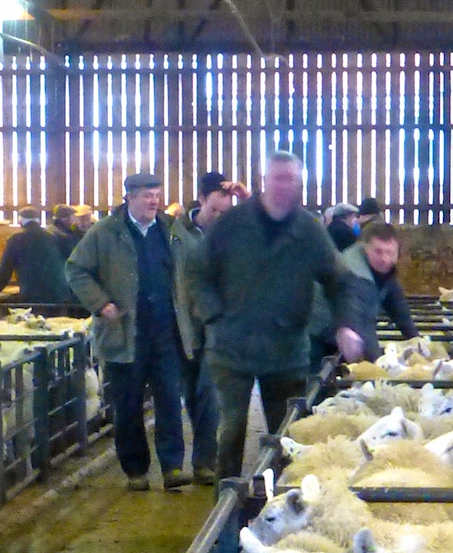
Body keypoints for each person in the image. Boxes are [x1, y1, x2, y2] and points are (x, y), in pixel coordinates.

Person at [188, 151, 368, 481]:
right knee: (230, 433)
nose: (284, 185)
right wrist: (213, 316)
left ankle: (280, 506)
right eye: (278, 178)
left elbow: (340, 281)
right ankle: (227, 518)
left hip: (286, 352)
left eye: (291, 179)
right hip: (232, 349)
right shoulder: (232, 224)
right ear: (264, 181)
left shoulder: (309, 231)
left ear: (300, 183)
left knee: (287, 437)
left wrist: (346, 325)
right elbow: (197, 272)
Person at [66, 173, 196, 491]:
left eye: (157, 194)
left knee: (168, 400)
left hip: (166, 330)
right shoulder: (106, 232)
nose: (154, 201)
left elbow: (194, 262)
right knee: (128, 404)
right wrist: (101, 303)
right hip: (125, 333)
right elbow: (75, 269)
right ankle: (136, 470)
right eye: (148, 195)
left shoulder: (170, 229)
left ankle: (172, 467)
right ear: (130, 197)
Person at [172, 171, 248, 485]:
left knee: (207, 393)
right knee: (189, 392)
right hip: (181, 325)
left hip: (216, 325)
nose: (219, 217)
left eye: (225, 211)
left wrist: (246, 199)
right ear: (201, 200)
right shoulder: (177, 232)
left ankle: (204, 462)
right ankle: (195, 458)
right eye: (215, 210)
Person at [308, 221, 419, 365]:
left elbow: (395, 302)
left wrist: (416, 340)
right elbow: (363, 326)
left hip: (342, 330)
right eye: (378, 251)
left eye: (390, 252)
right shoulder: (356, 275)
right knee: (319, 377)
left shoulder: (381, 270)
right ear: (365, 247)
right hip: (318, 333)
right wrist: (378, 366)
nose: (385, 259)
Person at [0, 207, 75, 305]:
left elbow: (5, 268)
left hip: (33, 294)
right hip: (59, 292)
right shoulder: (55, 237)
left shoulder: (16, 239)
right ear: (38, 220)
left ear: (20, 220)